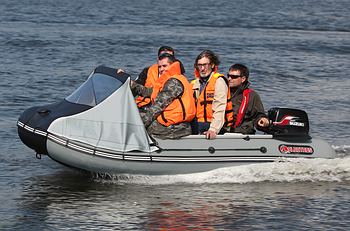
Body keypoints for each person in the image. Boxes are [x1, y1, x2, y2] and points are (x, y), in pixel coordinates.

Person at [131, 53, 196, 139]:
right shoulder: (169, 80)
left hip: (176, 127)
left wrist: (141, 125)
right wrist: (131, 84)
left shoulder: (174, 82)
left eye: (164, 66)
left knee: (138, 128)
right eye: (159, 66)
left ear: (172, 65)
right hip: (169, 122)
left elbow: (158, 106)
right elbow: (151, 92)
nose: (161, 69)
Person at [192, 50, 234, 140]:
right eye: (200, 65)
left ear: (212, 65)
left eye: (205, 65)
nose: (202, 68)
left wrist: (213, 130)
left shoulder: (219, 81)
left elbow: (220, 107)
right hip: (199, 124)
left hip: (217, 126)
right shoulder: (195, 83)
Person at [134, 46, 185, 112]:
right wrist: (126, 79)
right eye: (162, 56)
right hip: (142, 106)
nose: (162, 68)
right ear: (158, 58)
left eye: (169, 57)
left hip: (161, 111)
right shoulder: (147, 71)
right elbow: (133, 91)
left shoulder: (178, 77)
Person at [227, 64, 269, 134]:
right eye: (229, 76)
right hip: (223, 133)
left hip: (243, 134)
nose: (229, 79)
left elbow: (259, 115)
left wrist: (261, 120)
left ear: (243, 79)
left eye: (234, 77)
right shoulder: (222, 92)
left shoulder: (252, 95)